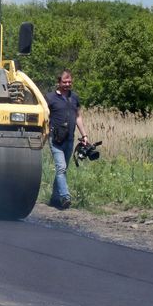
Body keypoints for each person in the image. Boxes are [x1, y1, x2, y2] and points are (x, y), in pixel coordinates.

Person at [45, 70, 88, 209]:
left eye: (69, 82)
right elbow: (44, 118)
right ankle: (65, 197)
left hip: (70, 139)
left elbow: (77, 117)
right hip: (55, 139)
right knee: (61, 168)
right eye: (64, 82)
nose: (67, 84)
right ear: (59, 82)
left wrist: (84, 135)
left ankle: (54, 199)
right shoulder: (50, 98)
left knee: (62, 170)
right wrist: (44, 134)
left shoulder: (74, 97)